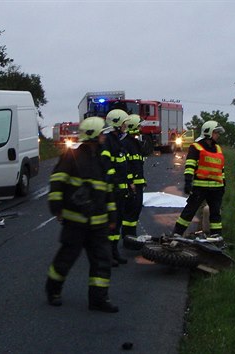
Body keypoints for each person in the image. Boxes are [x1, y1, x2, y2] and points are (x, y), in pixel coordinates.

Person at [45, 117, 119, 313]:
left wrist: (112, 217)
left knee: (102, 261)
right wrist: (57, 207)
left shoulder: (101, 160)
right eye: (102, 133)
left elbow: (107, 190)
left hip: (99, 223)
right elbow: (57, 182)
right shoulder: (71, 156)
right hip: (75, 221)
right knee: (66, 258)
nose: (104, 136)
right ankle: (53, 290)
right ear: (94, 135)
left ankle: (98, 299)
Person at [172, 120, 226, 238]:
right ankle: (177, 233)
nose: (218, 135)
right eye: (216, 132)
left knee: (215, 214)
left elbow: (221, 168)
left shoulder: (218, 148)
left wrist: (223, 183)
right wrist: (188, 181)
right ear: (209, 133)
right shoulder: (196, 147)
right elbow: (190, 165)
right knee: (189, 211)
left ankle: (217, 237)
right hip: (200, 187)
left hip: (216, 188)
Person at [102, 109, 131, 266]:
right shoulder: (108, 141)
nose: (126, 126)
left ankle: (114, 252)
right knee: (110, 223)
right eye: (124, 123)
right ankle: (108, 255)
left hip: (119, 190)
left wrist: (126, 187)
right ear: (117, 123)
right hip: (112, 191)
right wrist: (114, 186)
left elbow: (122, 168)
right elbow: (108, 167)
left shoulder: (117, 140)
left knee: (117, 222)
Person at [120, 114, 146, 243]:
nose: (141, 128)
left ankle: (131, 236)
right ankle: (128, 237)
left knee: (135, 210)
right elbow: (126, 165)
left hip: (138, 183)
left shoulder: (135, 143)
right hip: (133, 184)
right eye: (139, 125)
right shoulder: (126, 143)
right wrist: (130, 182)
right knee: (131, 211)